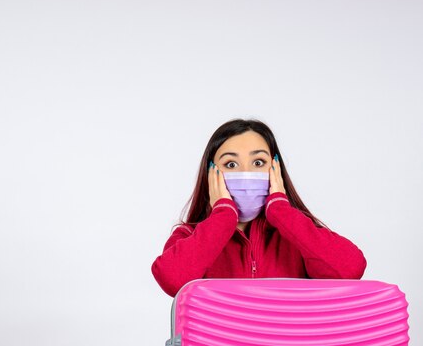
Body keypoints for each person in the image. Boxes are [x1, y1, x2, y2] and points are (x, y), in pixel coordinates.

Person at [151, 118, 367, 297]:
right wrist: (223, 216)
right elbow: (172, 280)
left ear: (275, 170)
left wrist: (281, 212)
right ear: (211, 176)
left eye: (258, 163)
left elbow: (350, 269)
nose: (246, 174)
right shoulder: (189, 235)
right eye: (231, 164)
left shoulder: (297, 236)